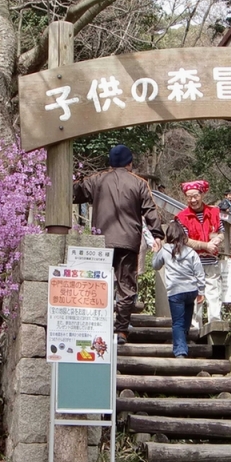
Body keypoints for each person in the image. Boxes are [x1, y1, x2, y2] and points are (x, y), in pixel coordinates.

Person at [73, 145, 165, 345]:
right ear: (130, 163)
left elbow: (74, 194)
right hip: (128, 241)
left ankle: (99, 326)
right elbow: (150, 209)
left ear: (110, 163)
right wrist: (157, 233)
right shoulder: (139, 183)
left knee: (101, 282)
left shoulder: (97, 180)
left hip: (102, 240)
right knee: (126, 285)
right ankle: (121, 330)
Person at [151, 220, 205, 358]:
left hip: (175, 291)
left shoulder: (165, 250)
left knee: (178, 322)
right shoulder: (191, 252)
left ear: (168, 235)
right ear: (182, 235)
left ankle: (180, 351)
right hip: (191, 290)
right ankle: (183, 340)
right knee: (186, 319)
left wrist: (156, 252)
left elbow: (156, 265)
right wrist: (201, 291)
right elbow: (199, 271)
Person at [175, 180, 224, 326]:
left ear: (202, 194)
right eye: (189, 197)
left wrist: (217, 240)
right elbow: (184, 240)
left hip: (211, 260)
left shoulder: (214, 212)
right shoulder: (182, 217)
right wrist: (205, 245)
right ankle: (194, 326)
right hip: (192, 262)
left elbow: (221, 232)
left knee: (214, 291)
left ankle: (215, 322)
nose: (193, 200)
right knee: (194, 294)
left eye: (195, 196)